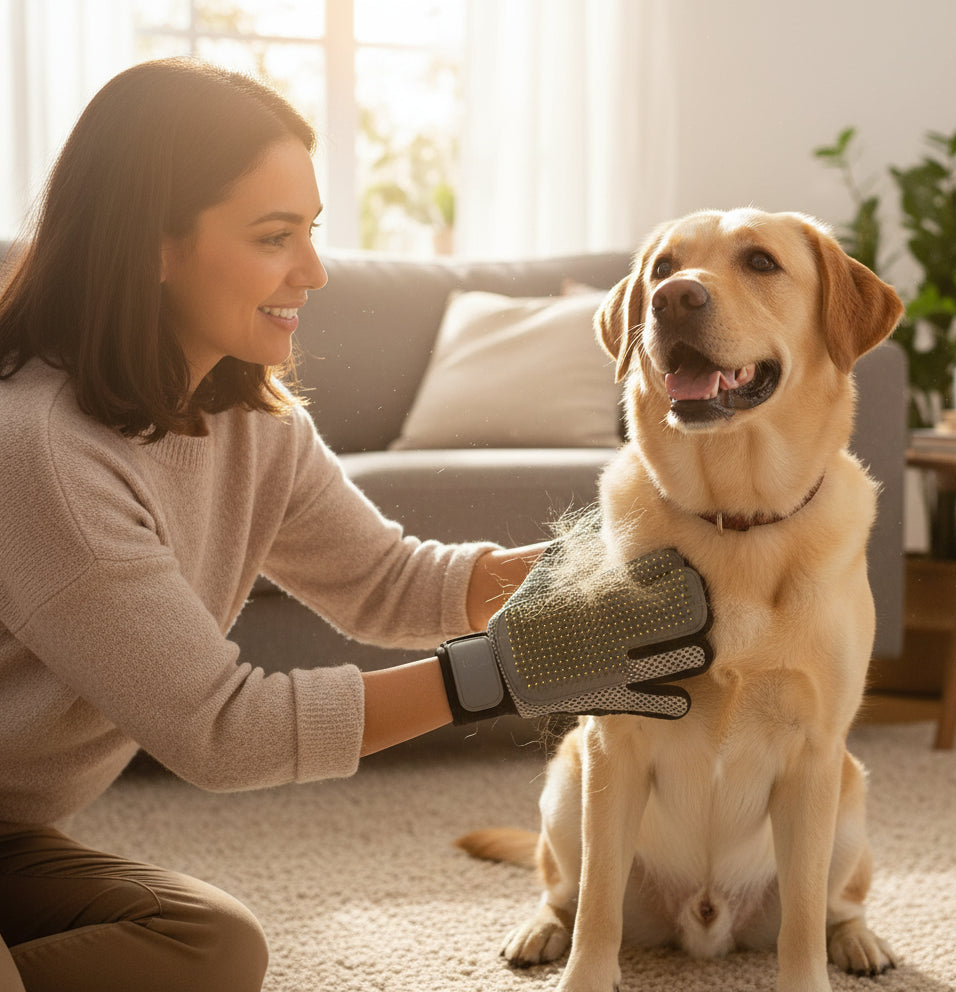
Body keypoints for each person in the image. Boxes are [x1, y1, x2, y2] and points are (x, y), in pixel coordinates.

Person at [0, 59, 709, 992]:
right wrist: (499, 674)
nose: (314, 271)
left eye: (312, 231)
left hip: (10, 836)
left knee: (213, 948)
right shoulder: (42, 451)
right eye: (274, 237)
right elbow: (224, 730)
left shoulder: (250, 420)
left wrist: (620, 557)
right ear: (152, 247)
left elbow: (389, 583)